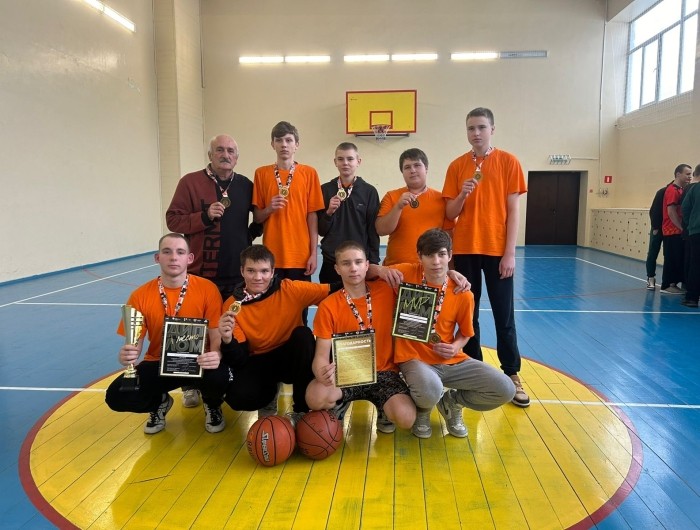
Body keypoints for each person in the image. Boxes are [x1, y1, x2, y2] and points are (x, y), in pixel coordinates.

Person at [388, 229, 515, 438]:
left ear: (450, 255)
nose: (436, 261)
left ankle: (452, 402)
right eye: (429, 255)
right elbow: (368, 270)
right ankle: (423, 410)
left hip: (450, 360)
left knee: (505, 389)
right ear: (419, 256)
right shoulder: (407, 274)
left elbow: (466, 333)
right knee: (430, 390)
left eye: (441, 254)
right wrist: (381, 270)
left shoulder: (462, 293)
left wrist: (455, 347)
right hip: (415, 359)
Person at [442, 107, 530, 407]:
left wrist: (510, 253)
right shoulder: (457, 166)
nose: (476, 133)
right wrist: (462, 195)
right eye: (471, 128)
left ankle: (512, 372)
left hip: (496, 251)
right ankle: (475, 369)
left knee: (504, 315)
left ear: (492, 129)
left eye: (481, 127)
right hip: (465, 249)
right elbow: (450, 213)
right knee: (468, 314)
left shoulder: (508, 162)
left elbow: (513, 211)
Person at [166, 134, 260, 408]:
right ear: (210, 155)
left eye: (231, 151)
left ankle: (225, 380)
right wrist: (204, 217)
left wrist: (247, 236)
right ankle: (189, 384)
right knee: (191, 330)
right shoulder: (190, 182)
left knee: (231, 330)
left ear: (237, 157)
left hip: (235, 273)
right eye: (219, 150)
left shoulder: (245, 185)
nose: (225, 154)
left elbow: (256, 221)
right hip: (199, 272)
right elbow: (173, 219)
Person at [105, 233, 230, 434]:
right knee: (116, 396)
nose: (173, 257)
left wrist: (216, 354)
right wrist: (127, 355)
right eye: (167, 252)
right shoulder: (139, 296)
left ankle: (212, 403)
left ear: (190, 258)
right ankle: (159, 403)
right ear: (157, 257)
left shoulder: (208, 289)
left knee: (221, 377)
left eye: (180, 252)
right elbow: (134, 343)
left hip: (199, 362)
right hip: (159, 363)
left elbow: (215, 334)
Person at [305, 241, 416, 434]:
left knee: (406, 418)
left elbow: (426, 274)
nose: (353, 268)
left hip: (384, 373)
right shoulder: (328, 306)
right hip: (348, 372)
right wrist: (321, 372)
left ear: (367, 266)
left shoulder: (387, 290)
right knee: (314, 397)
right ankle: (340, 401)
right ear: (337, 269)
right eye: (346, 263)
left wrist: (451, 274)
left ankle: (384, 408)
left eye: (358, 262)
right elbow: (321, 355)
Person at [218, 245, 337, 419]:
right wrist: (227, 340)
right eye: (251, 271)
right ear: (242, 271)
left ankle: (301, 408)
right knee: (239, 398)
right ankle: (268, 397)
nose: (258, 277)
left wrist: (368, 274)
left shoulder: (290, 289)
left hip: (290, 356)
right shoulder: (232, 305)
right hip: (259, 359)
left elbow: (334, 289)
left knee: (303, 335)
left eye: (264, 271)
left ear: (273, 272)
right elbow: (240, 358)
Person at [252, 121, 324, 282]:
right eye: (279, 140)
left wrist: (313, 253)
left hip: (300, 255)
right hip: (271, 256)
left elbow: (312, 217)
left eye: (289, 140)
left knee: (300, 299)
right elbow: (257, 217)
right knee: (273, 298)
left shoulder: (309, 173)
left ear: (296, 144)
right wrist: (269, 209)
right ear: (272, 144)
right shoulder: (261, 174)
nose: (284, 145)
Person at [376, 148, 452, 266]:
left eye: (417, 165)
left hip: (431, 268)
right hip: (396, 268)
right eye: (407, 167)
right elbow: (381, 230)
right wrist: (398, 207)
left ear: (426, 168)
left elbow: (449, 237)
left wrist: (450, 269)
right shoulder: (391, 196)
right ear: (402, 172)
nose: (412, 170)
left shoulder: (441, 199)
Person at [317, 142, 380, 283]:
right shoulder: (324, 190)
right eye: (341, 159)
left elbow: (372, 229)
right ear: (335, 162)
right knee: (331, 297)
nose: (345, 163)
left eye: (350, 159)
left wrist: (374, 261)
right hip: (332, 261)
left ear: (358, 161)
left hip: (358, 263)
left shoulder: (369, 192)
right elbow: (321, 230)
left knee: (360, 298)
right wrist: (329, 212)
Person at [660, 164, 692, 294]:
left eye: (690, 174)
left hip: (678, 231)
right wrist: (681, 227)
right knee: (672, 258)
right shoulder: (672, 190)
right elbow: (671, 211)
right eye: (687, 174)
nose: (690, 177)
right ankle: (667, 285)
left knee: (678, 258)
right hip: (672, 231)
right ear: (678, 174)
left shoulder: (681, 189)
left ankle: (674, 283)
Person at [645, 182, 672, 290]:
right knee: (653, 252)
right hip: (658, 227)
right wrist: (656, 227)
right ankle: (650, 277)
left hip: (670, 228)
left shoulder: (681, 191)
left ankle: (669, 281)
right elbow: (654, 211)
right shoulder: (662, 192)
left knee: (669, 254)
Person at [681, 164, 700, 307]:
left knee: (695, 264)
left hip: (696, 231)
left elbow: (685, 208)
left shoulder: (694, 189)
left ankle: (692, 298)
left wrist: (690, 223)